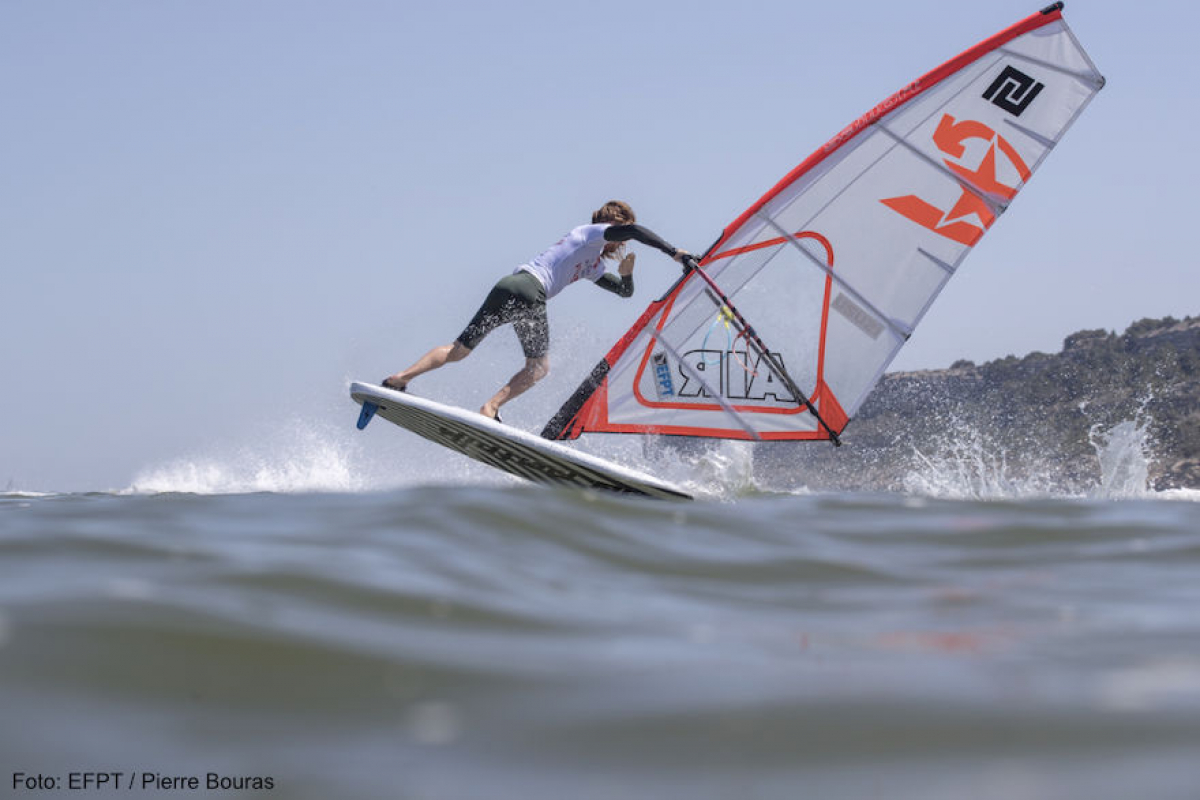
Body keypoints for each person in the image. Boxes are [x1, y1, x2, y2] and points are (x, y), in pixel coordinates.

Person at [382, 200, 689, 421]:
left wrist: (626, 274)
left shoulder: (592, 263)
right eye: (621, 233)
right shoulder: (590, 233)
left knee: (459, 350)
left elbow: (624, 292)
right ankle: (490, 408)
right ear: (615, 227)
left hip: (509, 285)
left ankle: (400, 378)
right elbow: (634, 231)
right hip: (530, 292)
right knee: (539, 368)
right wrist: (673, 252)